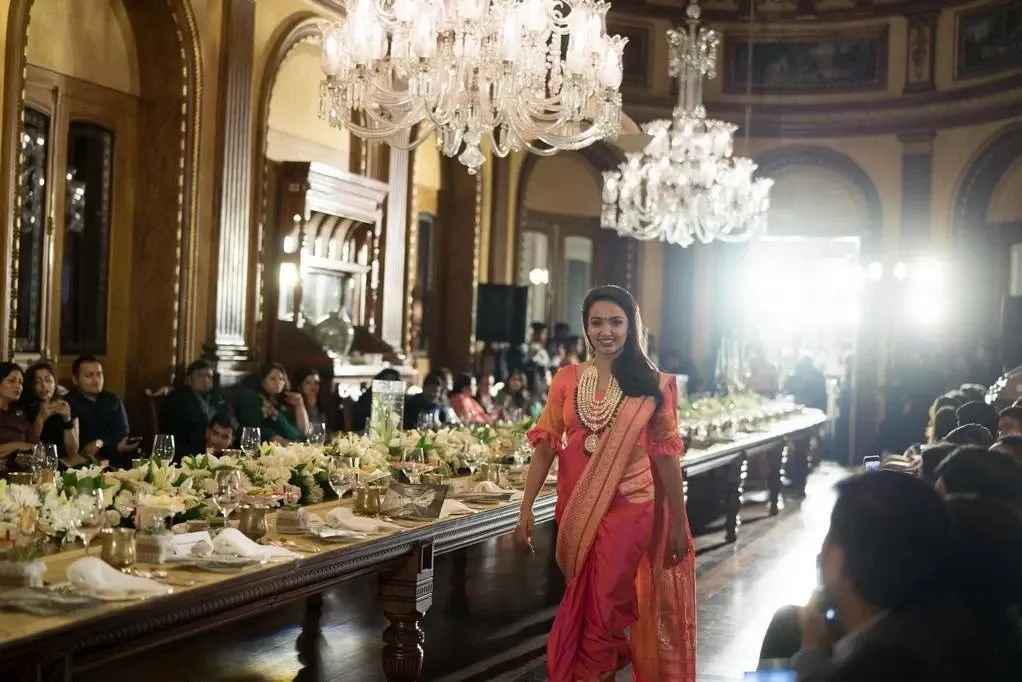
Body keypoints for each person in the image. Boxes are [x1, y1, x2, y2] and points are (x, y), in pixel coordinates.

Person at [515, 285, 695, 682]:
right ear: (586, 327)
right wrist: (525, 507)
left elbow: (667, 458)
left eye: (616, 321)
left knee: (606, 606)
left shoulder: (654, 384)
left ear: (631, 326)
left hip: (631, 506)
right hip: (575, 508)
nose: (606, 331)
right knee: (581, 603)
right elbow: (545, 445)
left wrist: (679, 523)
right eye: (597, 322)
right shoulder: (566, 379)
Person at [792, 471, 996, 681]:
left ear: (837, 560)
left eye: (830, 537)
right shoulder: (952, 622)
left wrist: (811, 653)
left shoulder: (876, 666)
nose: (820, 553)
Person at [65, 355, 137, 468]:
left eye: (99, 374)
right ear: (75, 379)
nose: (96, 380)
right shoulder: (68, 403)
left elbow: (123, 431)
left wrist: (100, 442)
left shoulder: (112, 399)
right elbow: (80, 448)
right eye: (89, 375)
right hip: (82, 465)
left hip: (114, 461)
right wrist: (112, 445)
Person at [161, 359, 229, 457]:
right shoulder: (179, 399)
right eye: (200, 375)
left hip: (211, 450)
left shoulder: (214, 398)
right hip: (188, 453)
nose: (206, 380)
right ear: (189, 379)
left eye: (209, 376)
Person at [19, 362, 78, 465]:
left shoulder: (65, 405)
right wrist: (40, 420)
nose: (44, 385)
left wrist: (67, 419)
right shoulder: (24, 410)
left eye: (48, 380)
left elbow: (72, 452)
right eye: (37, 382)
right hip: (36, 464)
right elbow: (29, 449)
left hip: (62, 464)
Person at [236, 362, 308, 443]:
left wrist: (299, 405)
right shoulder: (252, 398)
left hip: (298, 446)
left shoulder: (285, 402)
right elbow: (252, 429)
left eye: (281, 379)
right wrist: (277, 439)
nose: (278, 383)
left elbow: (303, 431)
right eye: (273, 378)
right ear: (263, 381)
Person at [0, 362, 35, 472]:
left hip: (18, 475)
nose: (18, 386)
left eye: (21, 382)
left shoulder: (20, 414)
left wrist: (23, 457)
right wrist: (16, 445)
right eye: (12, 381)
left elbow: (33, 445)